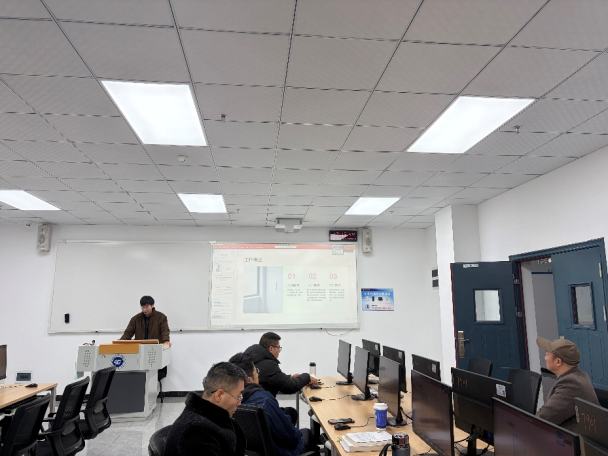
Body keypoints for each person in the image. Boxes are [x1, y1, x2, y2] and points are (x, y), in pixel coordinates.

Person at [229, 352, 319, 456]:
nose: (258, 374)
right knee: (306, 433)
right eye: (256, 371)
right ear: (249, 379)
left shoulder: (229, 401)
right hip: (282, 452)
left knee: (289, 413)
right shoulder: (264, 400)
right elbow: (291, 437)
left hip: (253, 451)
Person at [165, 362, 247, 456]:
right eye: (238, 397)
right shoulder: (196, 432)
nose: (239, 403)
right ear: (219, 395)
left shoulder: (206, 418)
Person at [244, 332, 317, 424]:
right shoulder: (268, 365)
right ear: (271, 348)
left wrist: (290, 377)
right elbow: (290, 387)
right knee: (291, 412)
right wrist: (307, 376)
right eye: (278, 348)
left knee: (290, 412)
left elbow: (273, 378)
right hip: (264, 411)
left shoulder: (253, 357)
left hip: (253, 407)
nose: (279, 351)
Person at [536, 336, 600, 430]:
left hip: (573, 438)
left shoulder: (571, 384)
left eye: (547, 354)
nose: (545, 358)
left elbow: (543, 419)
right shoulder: (578, 376)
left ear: (558, 362)